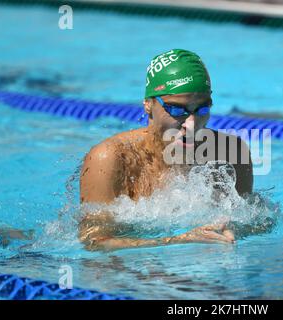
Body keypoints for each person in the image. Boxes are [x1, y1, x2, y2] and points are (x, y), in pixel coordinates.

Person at [79, 49, 253, 252]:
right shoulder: (111, 158)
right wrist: (179, 240)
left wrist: (235, 229)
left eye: (202, 110)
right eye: (177, 110)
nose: (191, 124)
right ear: (148, 104)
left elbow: (257, 219)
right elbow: (94, 242)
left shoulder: (231, 152)